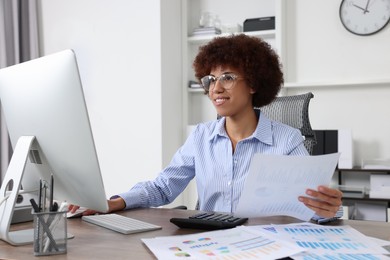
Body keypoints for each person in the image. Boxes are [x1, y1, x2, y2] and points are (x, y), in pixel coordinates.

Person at [70, 34, 342, 220]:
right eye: (210, 79)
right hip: (211, 245)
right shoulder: (201, 137)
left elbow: (313, 204)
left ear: (254, 84)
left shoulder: (287, 140)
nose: (216, 88)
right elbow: (164, 187)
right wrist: (111, 202)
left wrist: (328, 209)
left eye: (227, 77)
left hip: (266, 247)